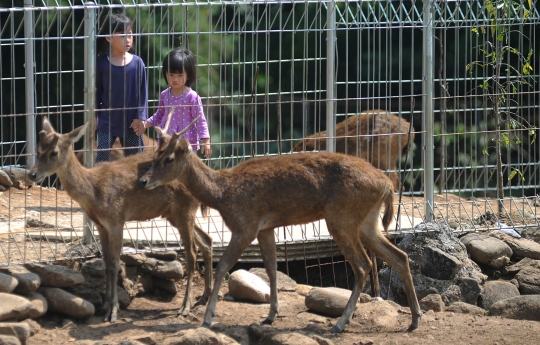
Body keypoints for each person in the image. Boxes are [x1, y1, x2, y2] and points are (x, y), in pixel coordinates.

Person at [133, 49, 211, 158]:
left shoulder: (192, 97)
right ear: (165, 73)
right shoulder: (164, 95)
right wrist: (145, 124)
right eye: (171, 74)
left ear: (188, 75)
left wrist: (206, 141)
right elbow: (160, 114)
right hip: (167, 141)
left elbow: (200, 119)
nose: (175, 79)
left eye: (180, 75)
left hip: (186, 143)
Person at [95, 12, 147, 163]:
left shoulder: (138, 63)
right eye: (122, 35)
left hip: (131, 123)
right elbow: (96, 92)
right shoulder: (101, 63)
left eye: (130, 34)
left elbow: (143, 94)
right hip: (106, 122)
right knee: (101, 161)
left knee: (136, 162)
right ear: (108, 38)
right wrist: (94, 115)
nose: (128, 39)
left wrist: (141, 117)